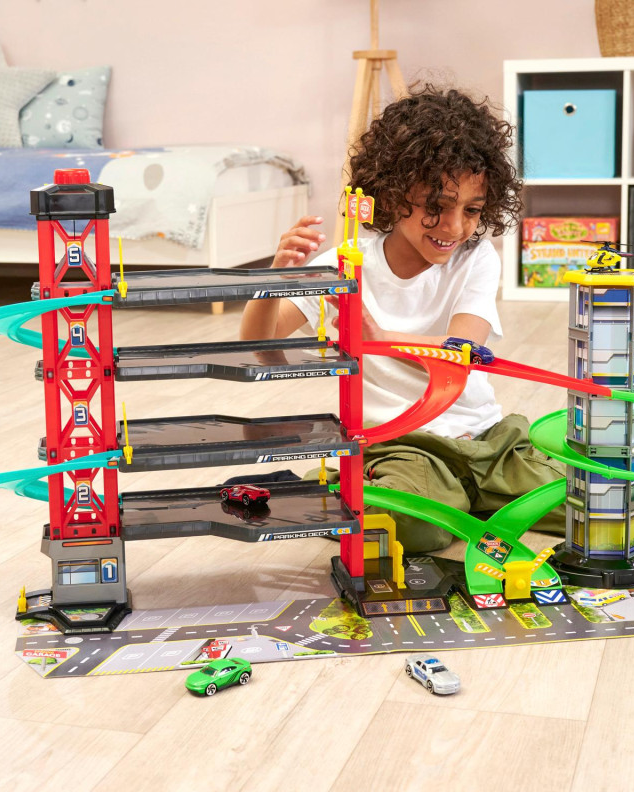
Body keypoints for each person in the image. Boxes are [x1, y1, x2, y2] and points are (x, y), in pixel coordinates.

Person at [240, 84, 564, 554]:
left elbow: (461, 356)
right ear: (393, 197)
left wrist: (377, 336)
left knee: (593, 501)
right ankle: (357, 487)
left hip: (486, 441)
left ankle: (459, 498)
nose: (455, 227)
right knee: (415, 529)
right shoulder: (345, 265)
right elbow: (260, 344)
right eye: (436, 207)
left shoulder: (477, 259)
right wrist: (275, 278)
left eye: (472, 210)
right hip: (402, 445)